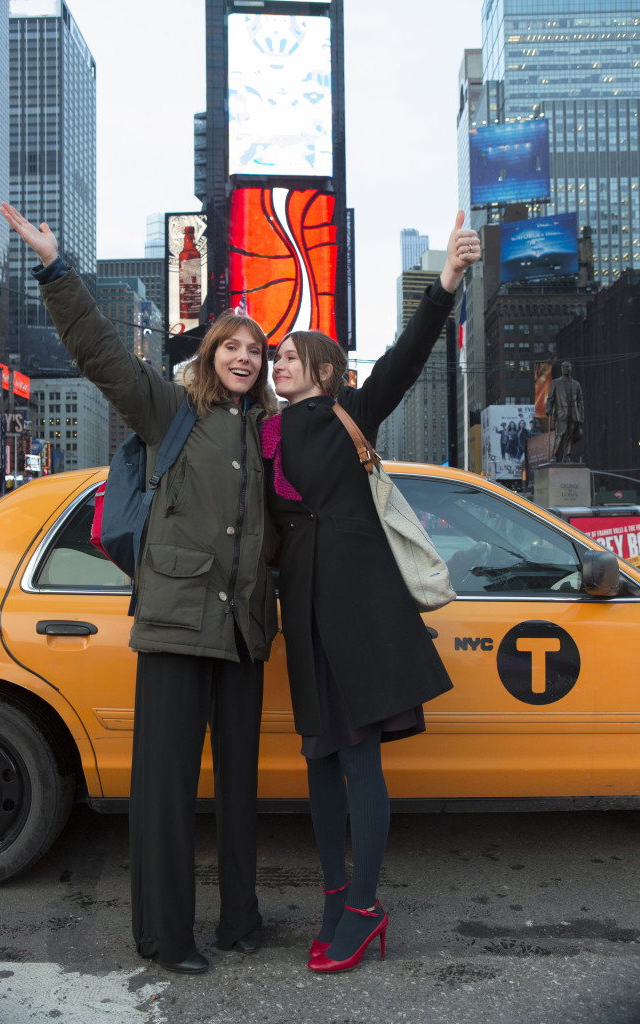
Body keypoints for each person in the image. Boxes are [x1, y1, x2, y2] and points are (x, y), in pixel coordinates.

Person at [0, 202, 278, 975]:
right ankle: (167, 936)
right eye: (234, 346)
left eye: (256, 350)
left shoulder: (268, 434)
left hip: (246, 632)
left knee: (239, 793)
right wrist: (57, 269)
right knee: (163, 796)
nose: (246, 358)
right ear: (212, 353)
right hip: (174, 627)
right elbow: (100, 357)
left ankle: (240, 921)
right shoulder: (170, 411)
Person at [259, 210, 481, 973]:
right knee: (319, 762)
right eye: (273, 356)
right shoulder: (258, 435)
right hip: (307, 616)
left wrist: (446, 281)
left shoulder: (348, 411)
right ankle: (331, 897)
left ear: (322, 371)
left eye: (290, 356)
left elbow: (406, 358)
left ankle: (363, 906)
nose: (276, 363)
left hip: (361, 612)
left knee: (358, 764)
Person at [546, 361, 584, 463]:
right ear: (561, 369)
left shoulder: (576, 384)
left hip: (573, 414)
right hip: (561, 413)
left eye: (568, 367)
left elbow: (580, 400)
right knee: (560, 434)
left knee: (570, 436)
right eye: (564, 367)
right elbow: (550, 399)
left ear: (571, 369)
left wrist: (581, 416)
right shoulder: (555, 383)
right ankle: (554, 455)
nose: (566, 369)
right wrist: (548, 409)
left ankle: (567, 456)